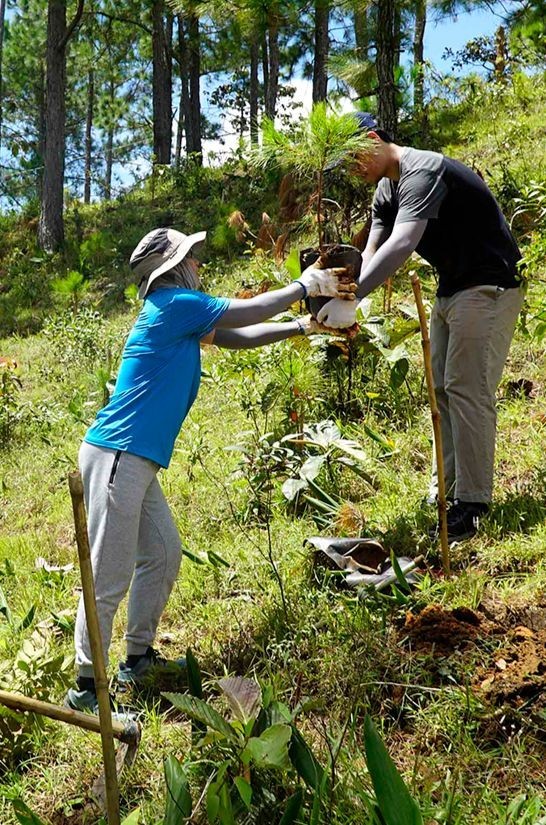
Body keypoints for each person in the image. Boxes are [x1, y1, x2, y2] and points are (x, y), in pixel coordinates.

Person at [65, 226, 354, 714]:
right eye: (191, 258)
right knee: (108, 575)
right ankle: (85, 691)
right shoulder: (173, 303)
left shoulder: (178, 314)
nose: (198, 265)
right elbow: (252, 309)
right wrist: (307, 286)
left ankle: (138, 660)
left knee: (161, 552)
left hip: (132, 458)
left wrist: (304, 328)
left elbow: (239, 335)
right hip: (117, 455)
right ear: (173, 267)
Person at [318, 112, 524, 541]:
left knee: (467, 388)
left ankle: (472, 504)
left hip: (489, 283)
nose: (354, 170)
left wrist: (353, 297)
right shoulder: (385, 191)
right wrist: (344, 294)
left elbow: (403, 242)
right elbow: (373, 246)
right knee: (443, 390)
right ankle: (447, 492)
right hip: (452, 288)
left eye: (355, 157)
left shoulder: (422, 170)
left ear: (374, 139)